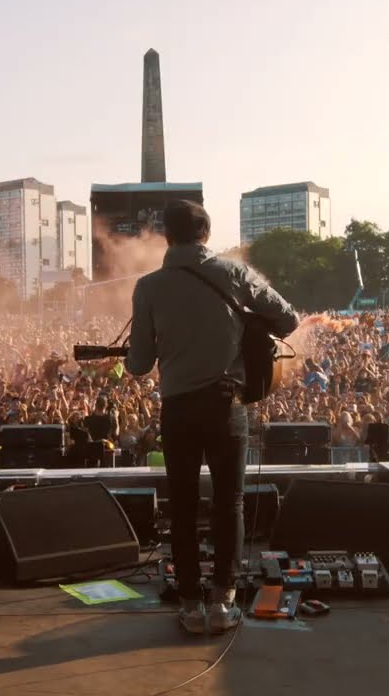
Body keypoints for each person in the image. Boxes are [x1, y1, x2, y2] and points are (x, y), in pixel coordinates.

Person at [125, 199, 299, 636]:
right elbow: (288, 319)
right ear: (206, 234)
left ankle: (189, 603)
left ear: (168, 235)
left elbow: (139, 365)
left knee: (181, 507)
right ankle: (223, 601)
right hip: (227, 405)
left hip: (179, 410)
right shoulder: (234, 274)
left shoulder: (148, 287)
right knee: (229, 503)